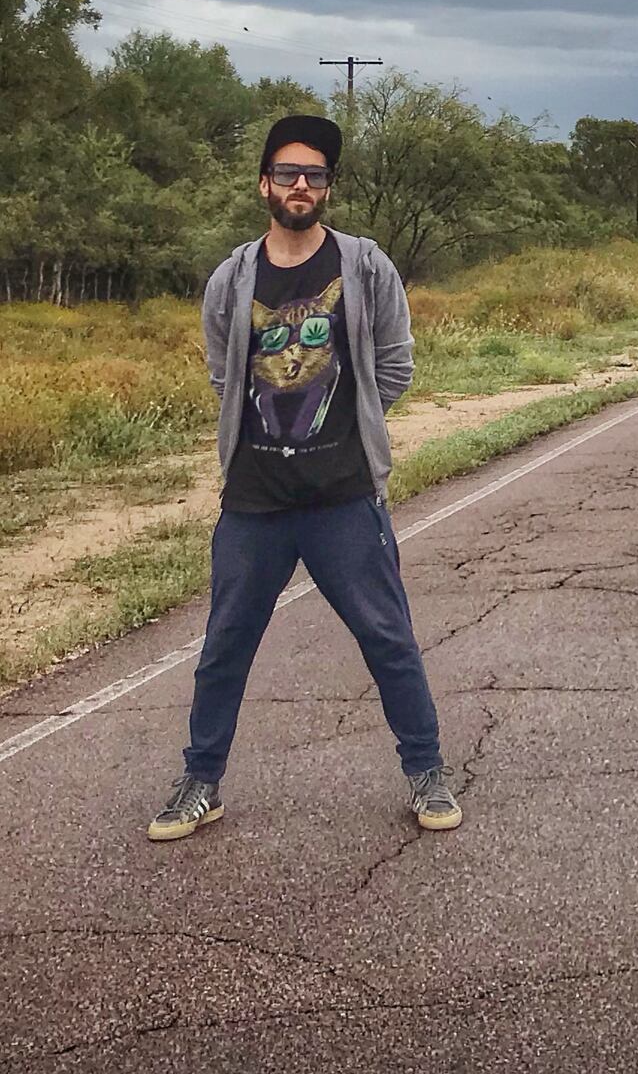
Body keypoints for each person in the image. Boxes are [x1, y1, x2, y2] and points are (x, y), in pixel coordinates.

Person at [147, 114, 462, 841]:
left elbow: (394, 366)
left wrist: (350, 428)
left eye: (314, 175)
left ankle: (428, 771)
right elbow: (225, 374)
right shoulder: (233, 279)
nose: (300, 184)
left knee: (388, 637)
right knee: (225, 643)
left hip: (343, 495)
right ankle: (201, 782)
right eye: (287, 172)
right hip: (254, 499)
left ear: (327, 188)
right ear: (264, 183)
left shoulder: (365, 267)